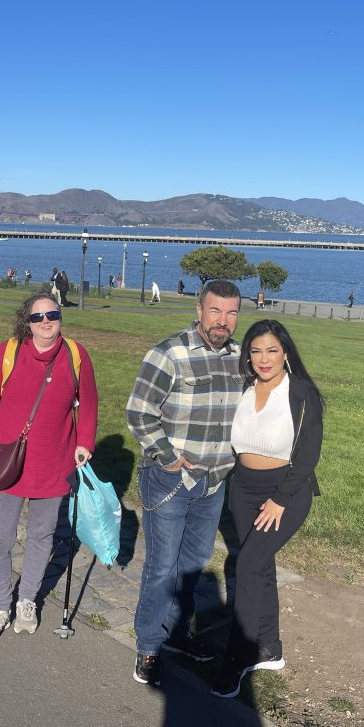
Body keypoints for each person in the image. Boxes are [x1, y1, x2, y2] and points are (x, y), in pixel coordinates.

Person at [126, 280, 244, 686]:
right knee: (162, 565)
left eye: (230, 313)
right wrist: (168, 456)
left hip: (214, 482)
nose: (222, 321)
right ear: (199, 310)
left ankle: (176, 634)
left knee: (193, 565)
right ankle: (148, 646)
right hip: (171, 479)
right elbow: (139, 412)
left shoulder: (240, 357)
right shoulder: (170, 353)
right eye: (215, 311)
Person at [0, 292, 98, 645]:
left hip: (54, 463)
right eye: (37, 317)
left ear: (60, 316)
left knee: (41, 537)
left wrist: (85, 442)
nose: (46, 321)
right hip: (7, 463)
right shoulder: (9, 351)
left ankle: (26, 601)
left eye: (51, 314)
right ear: (27, 321)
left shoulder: (76, 354)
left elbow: (89, 404)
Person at [211, 319, 323, 698]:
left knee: (246, 566)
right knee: (258, 565)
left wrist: (279, 499)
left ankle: (236, 659)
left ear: (285, 353)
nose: (263, 359)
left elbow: (308, 456)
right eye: (255, 351)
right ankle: (270, 648)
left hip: (285, 493)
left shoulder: (301, 393)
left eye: (272, 350)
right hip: (242, 489)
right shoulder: (245, 387)